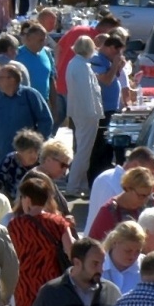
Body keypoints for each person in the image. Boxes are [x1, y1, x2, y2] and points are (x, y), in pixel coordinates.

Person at [8, 174, 77, 306]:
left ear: (26, 199)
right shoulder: (58, 222)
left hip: (25, 287)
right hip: (53, 284)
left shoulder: (14, 225)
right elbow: (71, 251)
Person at [64, 35, 105, 195]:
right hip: (87, 113)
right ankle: (73, 185)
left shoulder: (75, 64)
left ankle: (80, 185)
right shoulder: (82, 66)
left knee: (83, 149)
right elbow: (88, 92)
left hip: (81, 112)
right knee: (83, 151)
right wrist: (94, 112)